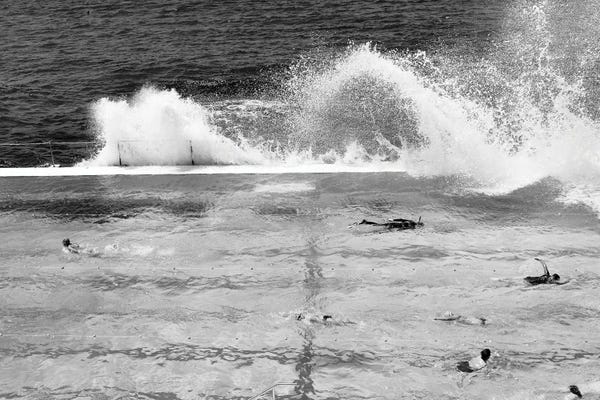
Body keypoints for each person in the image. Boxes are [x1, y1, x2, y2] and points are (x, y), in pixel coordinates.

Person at [358, 216, 423, 230]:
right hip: (393, 225)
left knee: (379, 225)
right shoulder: (412, 225)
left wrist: (393, 219)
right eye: (419, 226)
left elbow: (402, 220)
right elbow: (402, 221)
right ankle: (366, 222)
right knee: (378, 225)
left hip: (393, 225)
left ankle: (366, 222)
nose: (418, 226)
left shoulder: (411, 222)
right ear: (418, 224)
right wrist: (392, 219)